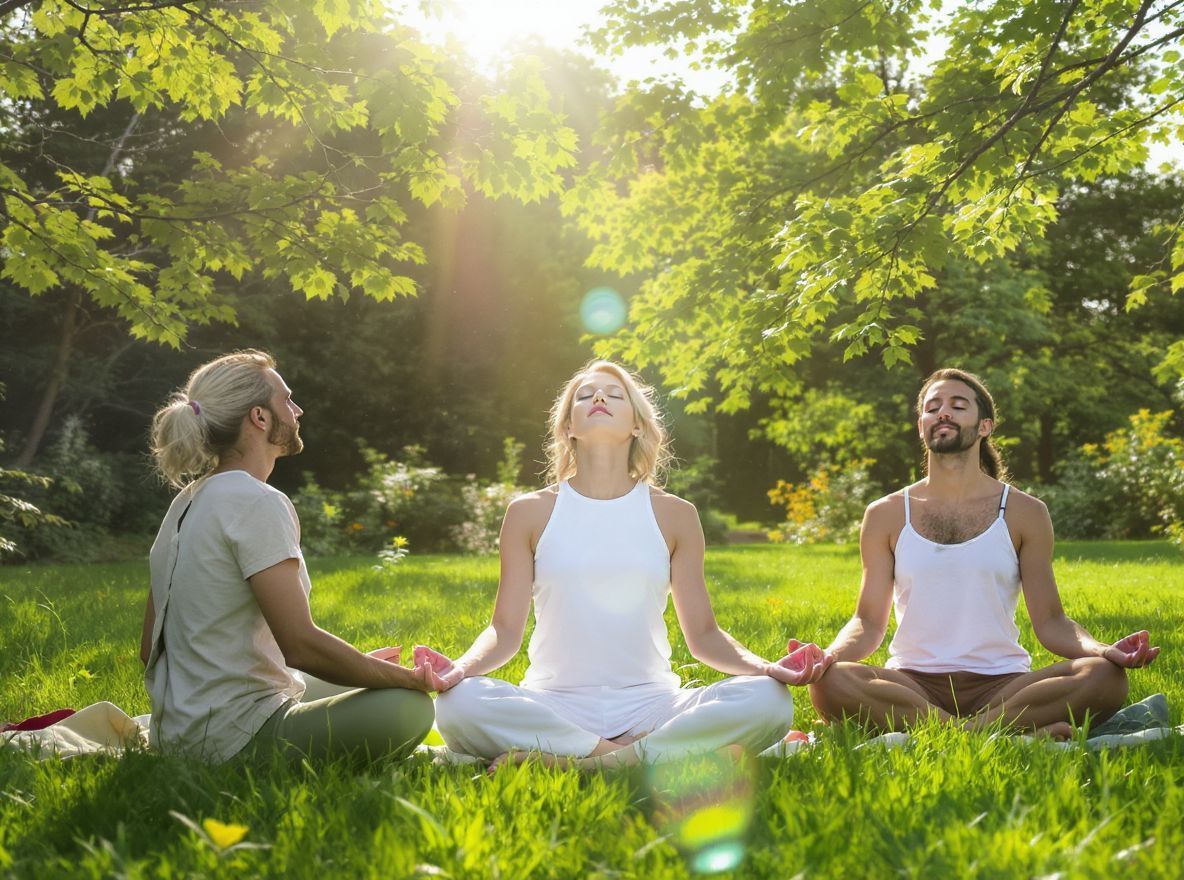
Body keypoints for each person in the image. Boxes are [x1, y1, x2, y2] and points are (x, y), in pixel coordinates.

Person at [414, 360, 829, 768]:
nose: (598, 397)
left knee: (768, 699)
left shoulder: (676, 514)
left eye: (615, 394)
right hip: (554, 703)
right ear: (568, 428)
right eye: (584, 395)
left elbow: (704, 634)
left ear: (636, 425)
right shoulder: (529, 513)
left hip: (651, 704)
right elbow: (504, 632)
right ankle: (643, 756)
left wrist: (766, 668)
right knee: (459, 704)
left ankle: (581, 762)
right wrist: (460, 670)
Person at [808, 368, 1160, 737]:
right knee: (830, 682)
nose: (942, 413)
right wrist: (827, 656)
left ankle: (951, 734)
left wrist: (1102, 650)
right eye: (932, 407)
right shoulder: (885, 514)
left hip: (1003, 687)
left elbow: (1053, 622)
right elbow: (868, 622)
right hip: (912, 686)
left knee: (1105, 677)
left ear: (984, 427)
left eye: (958, 406)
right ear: (920, 426)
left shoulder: (1027, 512)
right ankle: (1000, 733)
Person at [141, 350, 434, 762]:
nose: (297, 410)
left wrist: (361, 669)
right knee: (408, 707)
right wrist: (408, 680)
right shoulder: (256, 501)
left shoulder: (185, 503)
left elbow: (148, 649)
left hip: (176, 732)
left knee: (364, 679)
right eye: (287, 400)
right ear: (260, 418)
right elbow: (300, 646)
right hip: (233, 740)